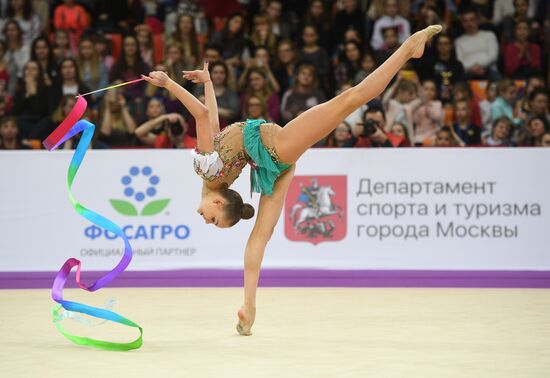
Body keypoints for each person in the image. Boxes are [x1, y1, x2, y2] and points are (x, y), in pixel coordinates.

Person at [141, 25, 442, 336]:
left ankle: (250, 306)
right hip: (276, 148)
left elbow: (209, 121)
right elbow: (205, 119)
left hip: (274, 160)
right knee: (349, 100)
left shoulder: (209, 171)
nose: (206, 221)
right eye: (214, 221)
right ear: (219, 201)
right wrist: (171, 85)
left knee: (262, 235)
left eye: (213, 222)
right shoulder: (209, 172)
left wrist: (201, 84)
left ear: (218, 200)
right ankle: (407, 49)